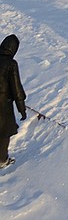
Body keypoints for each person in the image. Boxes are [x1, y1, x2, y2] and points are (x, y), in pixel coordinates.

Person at [0, 34, 27, 168]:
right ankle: (2, 160)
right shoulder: (11, 64)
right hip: (3, 105)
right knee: (4, 133)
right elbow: (17, 89)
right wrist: (22, 109)